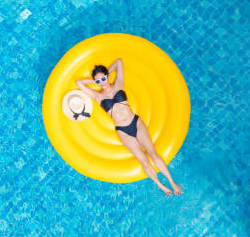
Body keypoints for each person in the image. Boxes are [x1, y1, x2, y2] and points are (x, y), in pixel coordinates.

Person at [75, 59, 183, 196]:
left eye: (103, 78)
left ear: (107, 76)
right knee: (143, 161)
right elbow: (79, 83)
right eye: (98, 81)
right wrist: (93, 81)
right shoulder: (97, 96)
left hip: (136, 123)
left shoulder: (118, 84)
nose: (101, 82)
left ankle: (172, 182)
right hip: (123, 131)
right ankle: (161, 186)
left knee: (153, 153)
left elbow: (119, 62)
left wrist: (106, 72)